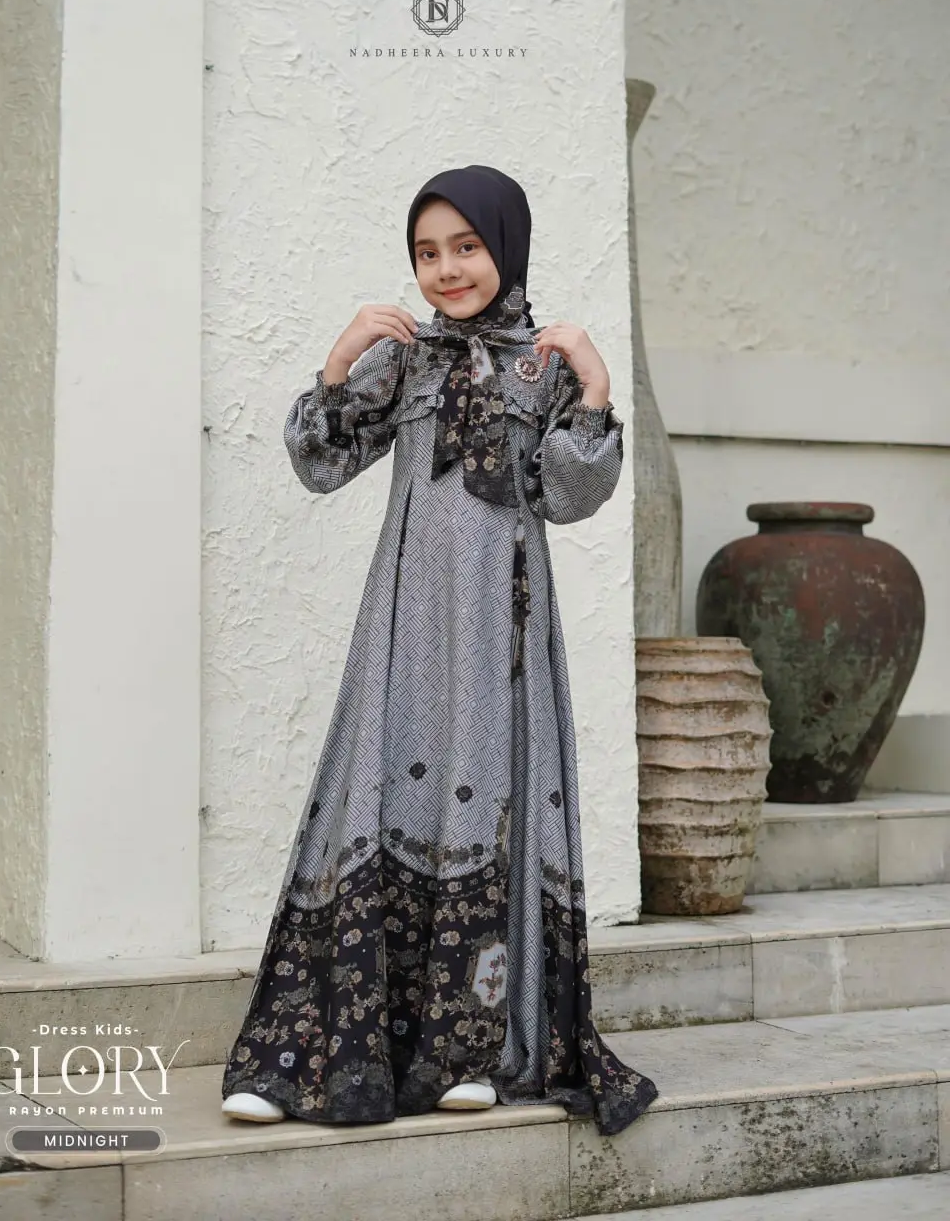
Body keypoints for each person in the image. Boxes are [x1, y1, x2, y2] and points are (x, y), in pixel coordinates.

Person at [220, 164, 658, 1136]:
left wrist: (594, 385)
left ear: (506, 246)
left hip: (504, 629)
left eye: (466, 246)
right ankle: (307, 1053)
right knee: (376, 792)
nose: (447, 268)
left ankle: (475, 1051)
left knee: (489, 793)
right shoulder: (405, 359)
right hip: (405, 623)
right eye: (427, 252)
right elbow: (323, 463)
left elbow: (568, 494)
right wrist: (339, 361)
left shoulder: (546, 365)